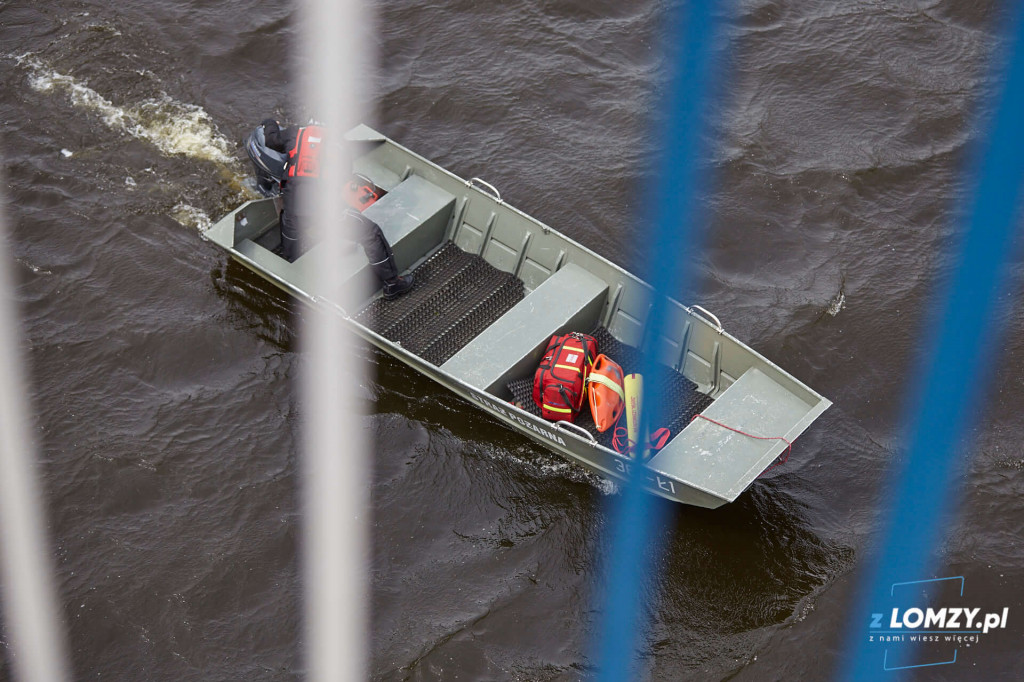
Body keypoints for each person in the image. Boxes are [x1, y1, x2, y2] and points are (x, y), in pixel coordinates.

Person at [260, 119, 414, 300]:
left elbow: (271, 141)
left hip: (293, 209)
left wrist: (270, 123)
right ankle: (392, 284)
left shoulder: (294, 134)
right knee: (371, 233)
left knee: (290, 237)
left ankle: (292, 269)